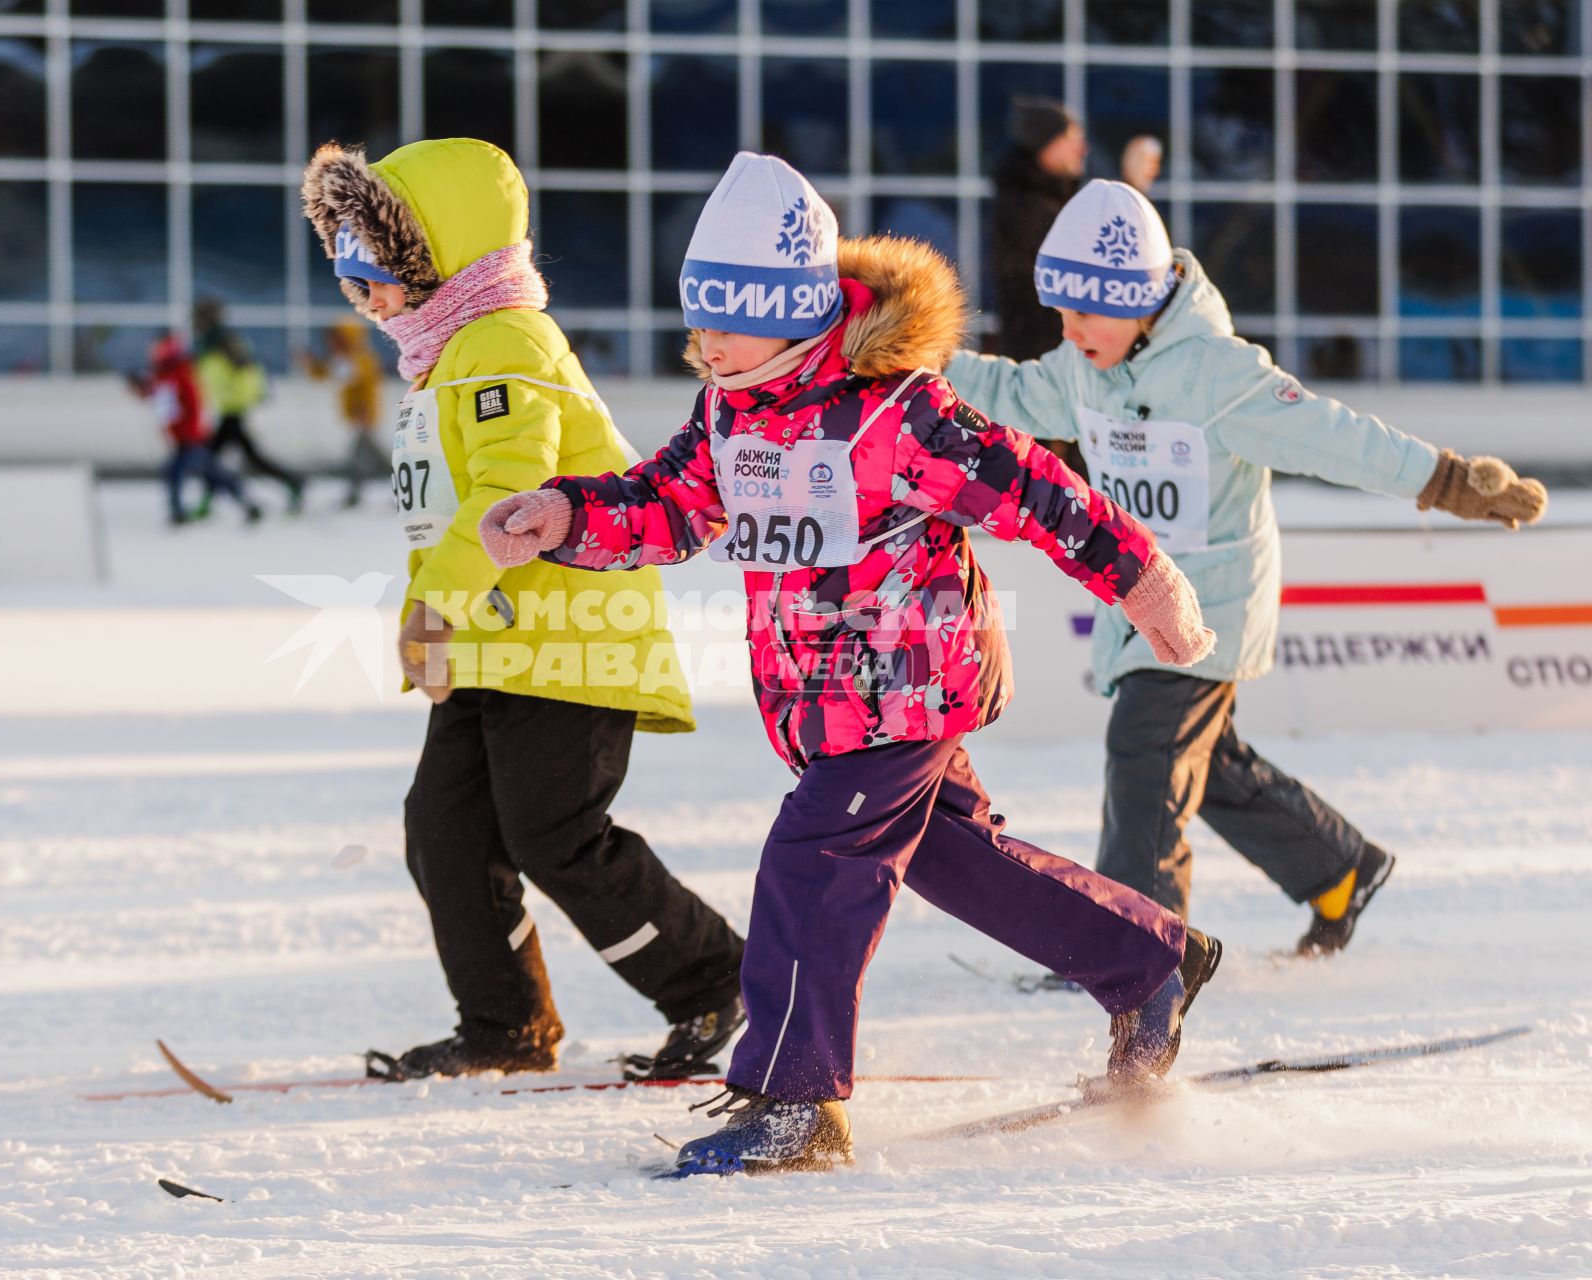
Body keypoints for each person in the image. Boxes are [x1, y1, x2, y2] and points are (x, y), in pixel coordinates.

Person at [480, 153, 1224, 1177]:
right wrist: (567, 513)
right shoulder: (732, 406)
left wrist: (1143, 583)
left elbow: (1038, 490)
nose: (708, 344)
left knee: (815, 860)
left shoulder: (894, 411)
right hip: (818, 700)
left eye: (728, 322)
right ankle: (1150, 958)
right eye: (700, 321)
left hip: (905, 684)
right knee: (958, 861)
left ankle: (795, 1096)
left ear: (791, 312)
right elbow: (669, 503)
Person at [949, 179, 1548, 953]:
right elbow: (1014, 392)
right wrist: (913, 362)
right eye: (1060, 313)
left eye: (1084, 312)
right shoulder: (1083, 366)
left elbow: (1335, 438)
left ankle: (1138, 953)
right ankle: (1338, 867)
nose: (1069, 331)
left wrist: (1446, 481)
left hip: (1212, 605)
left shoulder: (1218, 375)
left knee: (1146, 756)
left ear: (1137, 299)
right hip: (1140, 603)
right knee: (1209, 765)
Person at [302, 136, 747, 1082]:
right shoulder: (447, 353)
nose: (367, 300)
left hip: (573, 635)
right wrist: (438, 614)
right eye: (348, 280)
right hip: (498, 639)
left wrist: (434, 612)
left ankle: (716, 982)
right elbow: (445, 517)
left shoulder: (504, 341)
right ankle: (506, 1025)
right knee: (446, 830)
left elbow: (508, 497)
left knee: (556, 836)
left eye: (376, 272)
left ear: (439, 257)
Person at [128, 333, 261, 527]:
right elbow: (161, 397)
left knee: (177, 471)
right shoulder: (167, 375)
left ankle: (178, 511)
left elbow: (188, 404)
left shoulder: (181, 374)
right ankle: (246, 503)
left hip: (191, 437)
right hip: (186, 437)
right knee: (214, 475)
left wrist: (187, 427)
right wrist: (143, 390)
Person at [991, 95, 1086, 363]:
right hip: (1042, 358)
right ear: (1047, 144)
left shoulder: (1043, 200)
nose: (1082, 149)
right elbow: (1085, 257)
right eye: (1072, 138)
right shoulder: (1028, 208)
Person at [193, 300, 306, 515]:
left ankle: (211, 503)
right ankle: (292, 484)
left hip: (234, 406)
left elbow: (247, 370)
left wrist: (247, 396)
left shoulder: (224, 342)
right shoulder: (211, 343)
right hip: (228, 406)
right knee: (241, 457)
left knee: (210, 457)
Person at [303, 319, 391, 509]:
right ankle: (358, 492)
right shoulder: (344, 359)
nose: (331, 343)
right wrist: (310, 365)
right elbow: (326, 374)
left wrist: (364, 412)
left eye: (335, 339)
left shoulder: (362, 358)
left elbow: (361, 385)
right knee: (367, 457)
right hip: (356, 416)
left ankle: (358, 492)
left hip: (363, 416)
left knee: (364, 458)